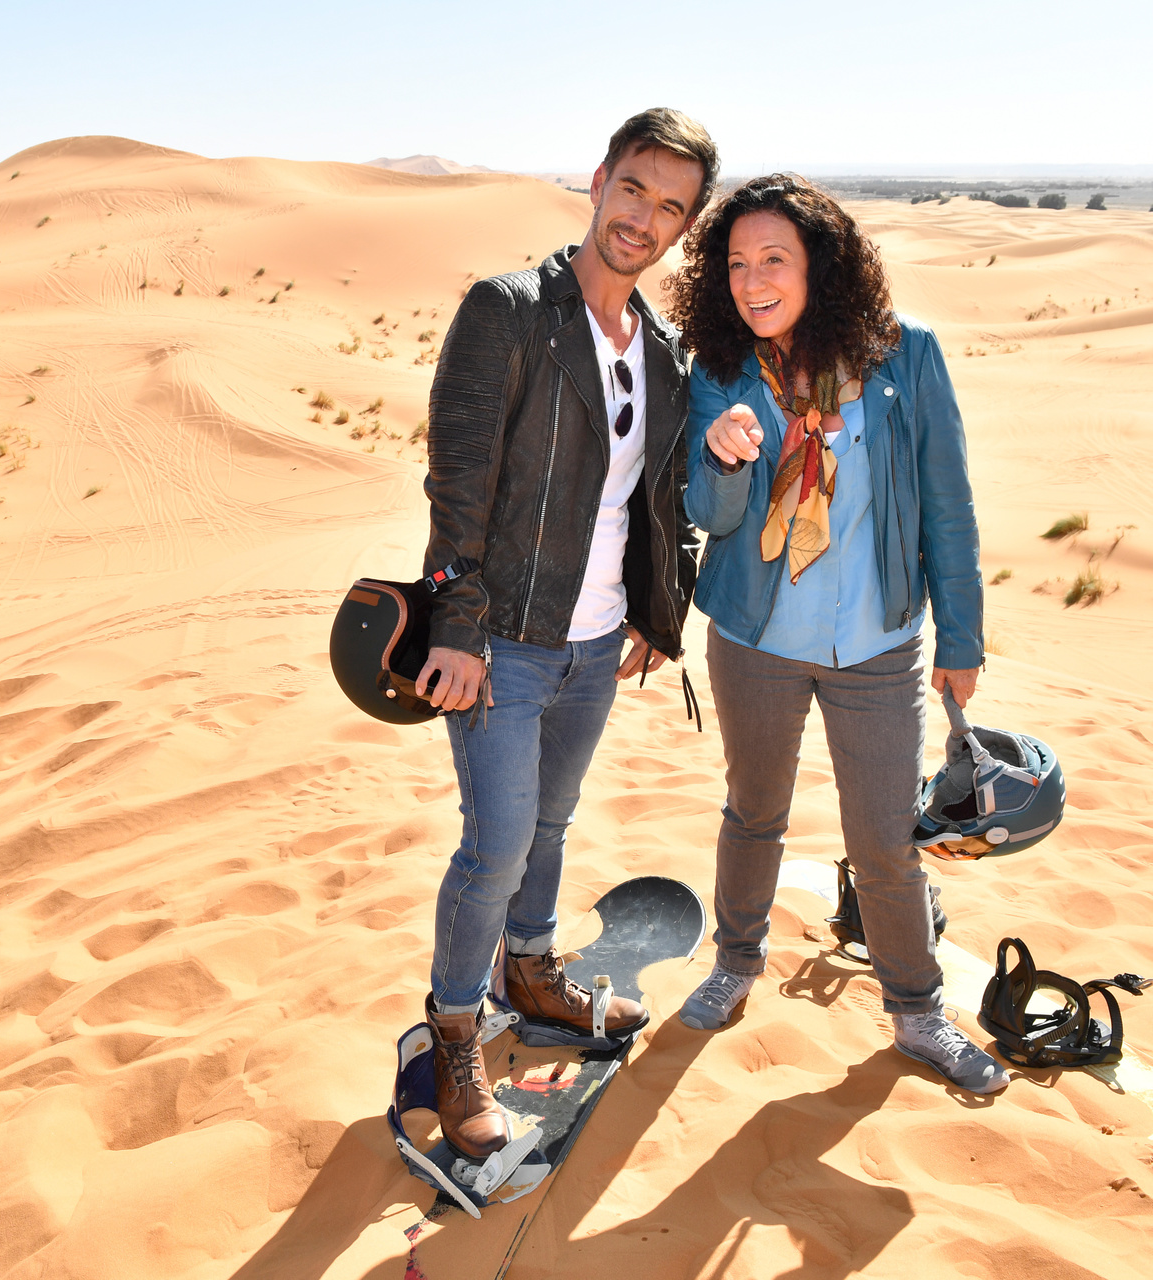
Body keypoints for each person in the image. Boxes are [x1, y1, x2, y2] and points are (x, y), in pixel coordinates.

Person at [414, 108, 721, 1157]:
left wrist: (658, 611)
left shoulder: (664, 353)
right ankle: (457, 1029)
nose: (644, 217)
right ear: (598, 182)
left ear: (683, 226)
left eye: (670, 206)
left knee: (550, 825)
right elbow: (458, 482)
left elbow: (661, 498)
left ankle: (533, 971)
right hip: (502, 637)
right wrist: (457, 625)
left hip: (594, 646)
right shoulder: (510, 312)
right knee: (495, 844)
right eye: (633, 188)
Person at [671, 174, 1007, 1094]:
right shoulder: (721, 369)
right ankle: (735, 962)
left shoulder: (907, 357)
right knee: (754, 810)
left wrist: (962, 636)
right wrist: (723, 457)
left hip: (877, 645)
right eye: (735, 264)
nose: (752, 281)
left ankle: (918, 1012)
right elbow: (710, 516)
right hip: (755, 639)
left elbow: (948, 502)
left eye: (773, 259)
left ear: (820, 265)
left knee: (886, 838)